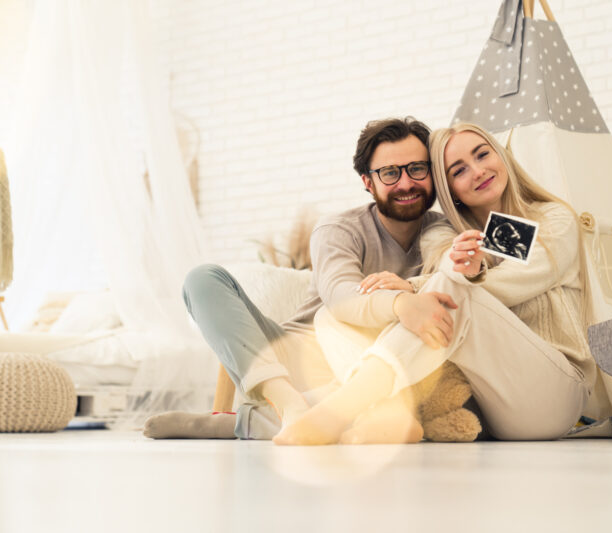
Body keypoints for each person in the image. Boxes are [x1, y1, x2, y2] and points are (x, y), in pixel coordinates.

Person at [275, 122, 597, 445]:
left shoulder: (552, 220)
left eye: (483, 154)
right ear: (447, 188)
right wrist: (433, 286)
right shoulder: (441, 234)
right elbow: (450, 277)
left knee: (454, 293)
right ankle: (391, 413)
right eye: (458, 171)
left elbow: (509, 284)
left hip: (556, 394)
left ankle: (348, 406)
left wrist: (414, 288)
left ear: (501, 156)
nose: (478, 171)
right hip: (496, 412)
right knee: (329, 317)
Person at [143, 117, 456, 440]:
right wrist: (401, 302)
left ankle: (239, 425)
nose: (406, 183)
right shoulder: (339, 229)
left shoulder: (446, 232)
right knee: (202, 278)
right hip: (296, 361)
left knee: (406, 401)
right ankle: (288, 404)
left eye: (417, 168)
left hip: (377, 375)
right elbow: (342, 297)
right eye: (390, 173)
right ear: (367, 181)